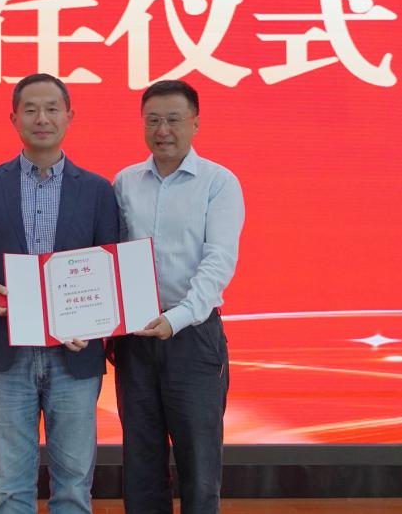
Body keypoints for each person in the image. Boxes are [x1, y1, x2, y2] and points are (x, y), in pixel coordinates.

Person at [0, 73, 120, 514]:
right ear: (14, 119)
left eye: (51, 109)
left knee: (74, 486)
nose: (42, 118)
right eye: (30, 109)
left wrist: (93, 322)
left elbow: (109, 268)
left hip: (74, 355)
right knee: (10, 486)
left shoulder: (97, 190)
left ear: (69, 117)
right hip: (6, 351)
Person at [112, 79, 245, 514]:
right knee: (141, 457)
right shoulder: (125, 182)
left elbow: (219, 261)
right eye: (152, 120)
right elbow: (110, 256)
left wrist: (178, 317)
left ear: (195, 123)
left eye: (173, 119)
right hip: (135, 336)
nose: (162, 130)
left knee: (199, 462)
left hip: (193, 335)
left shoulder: (219, 182)